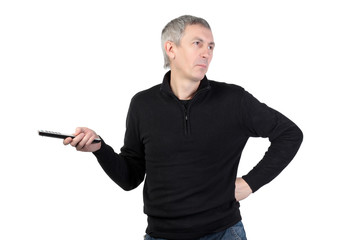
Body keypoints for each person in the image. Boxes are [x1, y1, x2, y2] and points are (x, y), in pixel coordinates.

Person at [64, 15, 303, 240]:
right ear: (171, 49)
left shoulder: (233, 99)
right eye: (197, 43)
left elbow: (289, 134)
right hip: (160, 234)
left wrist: (251, 183)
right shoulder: (142, 104)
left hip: (222, 233)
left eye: (210, 46)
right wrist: (99, 149)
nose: (206, 53)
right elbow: (130, 178)